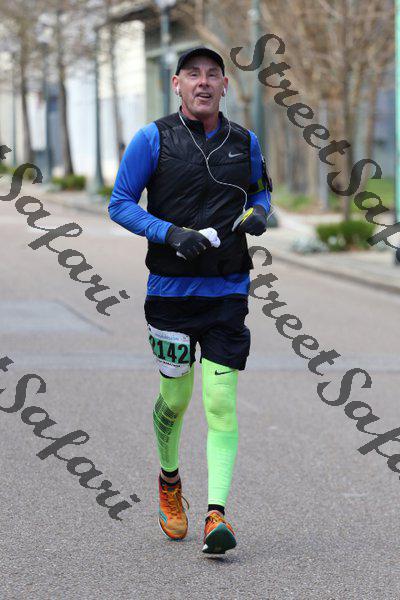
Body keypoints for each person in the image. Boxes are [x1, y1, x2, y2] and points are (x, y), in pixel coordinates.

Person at [108, 46, 272, 555]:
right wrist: (169, 233)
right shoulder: (152, 138)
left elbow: (261, 192)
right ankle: (169, 481)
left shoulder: (244, 141)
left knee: (220, 403)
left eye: (212, 74)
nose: (203, 82)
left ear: (225, 85)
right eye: (193, 74)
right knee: (176, 400)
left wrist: (260, 214)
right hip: (171, 293)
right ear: (176, 84)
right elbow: (119, 203)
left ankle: (215, 514)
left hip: (228, 290)